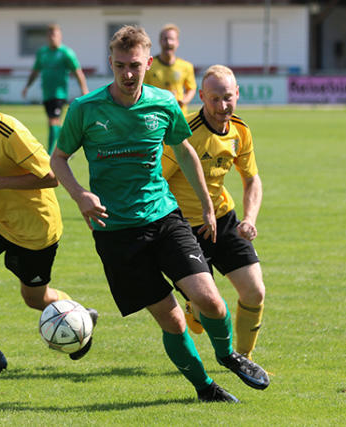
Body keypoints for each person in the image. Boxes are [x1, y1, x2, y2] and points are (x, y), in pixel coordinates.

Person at [50, 25, 269, 403]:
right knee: (172, 319)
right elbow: (58, 159)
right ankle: (205, 388)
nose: (128, 74)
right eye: (120, 66)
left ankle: (227, 354)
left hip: (164, 218)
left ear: (147, 63)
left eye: (135, 65)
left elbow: (184, 151)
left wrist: (204, 204)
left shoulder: (164, 103)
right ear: (111, 64)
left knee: (212, 302)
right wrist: (80, 195)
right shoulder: (85, 110)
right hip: (116, 232)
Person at [0, 70, 97, 381]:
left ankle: (79, 314)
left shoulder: (10, 132)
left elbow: (52, 176)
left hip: (35, 227)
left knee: (34, 299)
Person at [162, 65, 267, 364]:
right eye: (215, 99)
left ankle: (243, 358)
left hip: (223, 219)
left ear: (237, 95)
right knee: (200, 318)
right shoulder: (185, 133)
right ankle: (193, 306)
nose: (222, 106)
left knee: (254, 292)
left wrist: (250, 219)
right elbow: (158, 179)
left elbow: (252, 179)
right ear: (203, 97)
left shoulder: (240, 131)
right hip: (185, 228)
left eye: (228, 98)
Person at [21, 24, 89, 154]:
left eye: (55, 35)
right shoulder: (43, 53)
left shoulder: (66, 53)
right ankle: (67, 147)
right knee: (53, 122)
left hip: (59, 94)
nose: (52, 38)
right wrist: (27, 86)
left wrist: (84, 89)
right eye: (50, 35)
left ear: (60, 36)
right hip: (47, 93)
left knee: (53, 120)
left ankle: (51, 152)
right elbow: (35, 71)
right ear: (47, 37)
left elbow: (77, 72)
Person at [144, 23, 197, 114]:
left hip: (179, 114)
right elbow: (144, 89)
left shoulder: (186, 66)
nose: (168, 43)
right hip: (156, 113)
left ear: (177, 42)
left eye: (171, 39)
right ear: (160, 41)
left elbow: (191, 88)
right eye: (165, 39)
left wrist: (184, 101)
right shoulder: (149, 65)